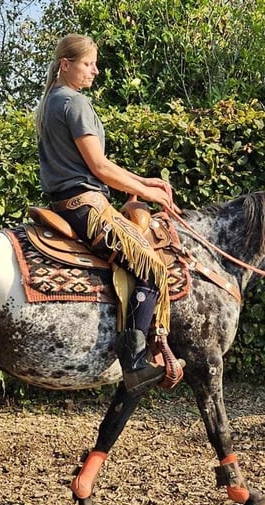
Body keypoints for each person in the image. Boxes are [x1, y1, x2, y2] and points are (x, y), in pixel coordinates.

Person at [35, 33, 177, 393]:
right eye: (88, 63)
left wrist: (141, 181)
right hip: (87, 207)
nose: (95, 70)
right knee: (153, 266)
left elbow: (100, 165)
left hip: (68, 203)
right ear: (65, 64)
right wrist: (147, 193)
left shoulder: (51, 101)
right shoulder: (74, 103)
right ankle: (134, 364)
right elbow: (98, 167)